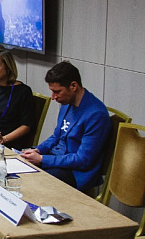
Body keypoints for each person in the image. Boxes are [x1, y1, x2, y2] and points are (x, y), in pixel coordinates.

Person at [20, 61, 111, 192]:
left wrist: (42, 159)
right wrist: (38, 150)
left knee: (34, 183)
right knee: (19, 170)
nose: (53, 97)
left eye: (57, 92)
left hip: (76, 172)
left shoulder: (96, 114)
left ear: (73, 86)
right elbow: (56, 136)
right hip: (57, 159)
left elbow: (83, 160)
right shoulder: (67, 102)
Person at [0, 49, 36, 149]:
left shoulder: (23, 91)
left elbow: (26, 126)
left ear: (8, 68)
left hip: (12, 143)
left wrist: (4, 139)